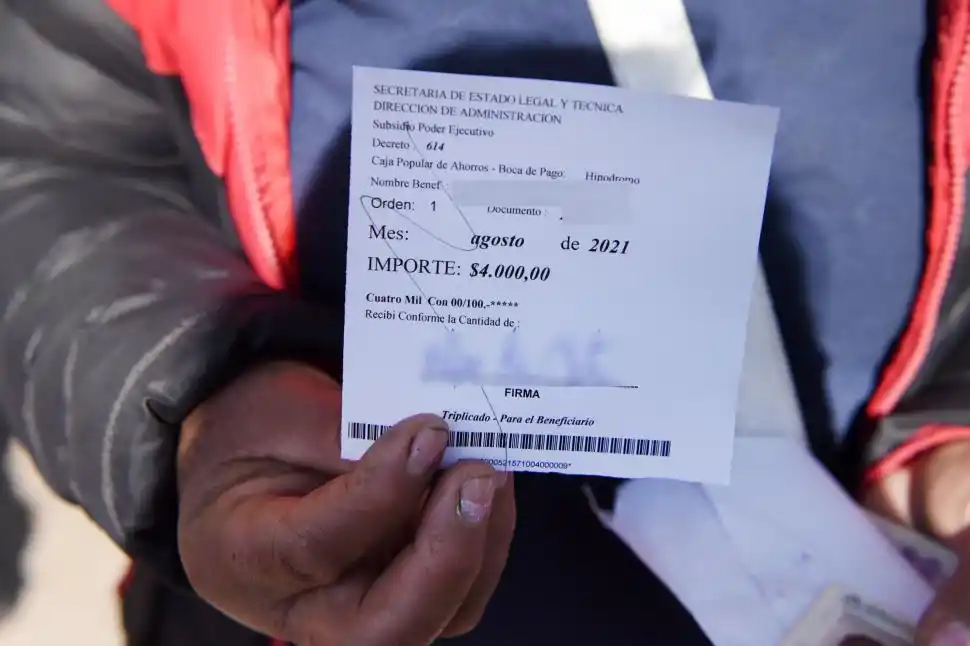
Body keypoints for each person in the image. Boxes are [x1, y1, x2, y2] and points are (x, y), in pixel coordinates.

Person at [1, 0, 969, 645]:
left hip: (893, 560)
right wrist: (200, 389)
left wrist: (950, 425)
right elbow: (50, 152)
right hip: (368, 595)